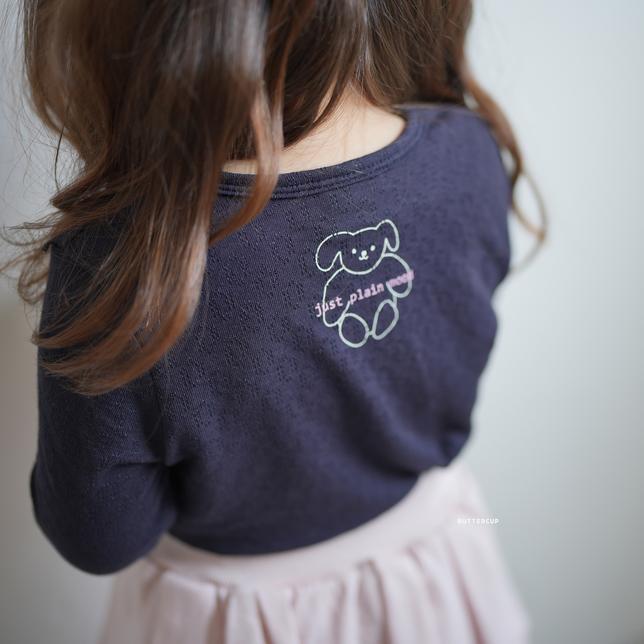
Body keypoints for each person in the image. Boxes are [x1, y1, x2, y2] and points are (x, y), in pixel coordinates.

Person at [5, 0, 547, 642]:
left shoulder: (121, 260)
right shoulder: (467, 153)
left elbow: (101, 537)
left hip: (230, 615)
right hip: (434, 572)